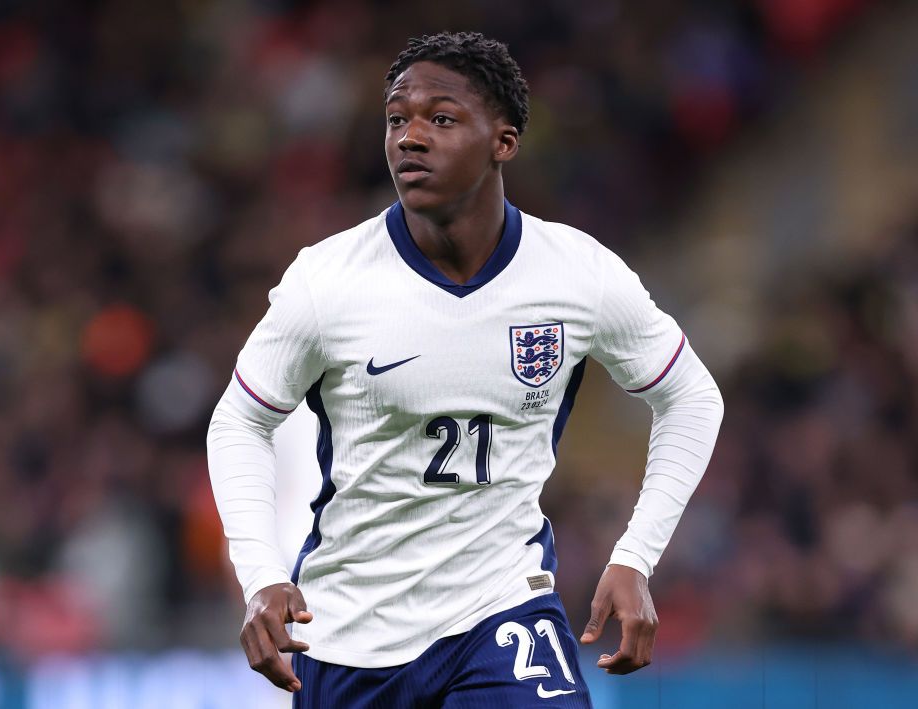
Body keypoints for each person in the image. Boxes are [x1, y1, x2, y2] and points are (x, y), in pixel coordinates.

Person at [207, 32, 723, 708]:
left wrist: (635, 555)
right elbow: (240, 418)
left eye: (440, 119)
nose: (409, 138)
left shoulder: (575, 273)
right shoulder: (327, 281)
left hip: (501, 612)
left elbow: (691, 396)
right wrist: (261, 574)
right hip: (350, 637)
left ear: (503, 141)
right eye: (397, 120)